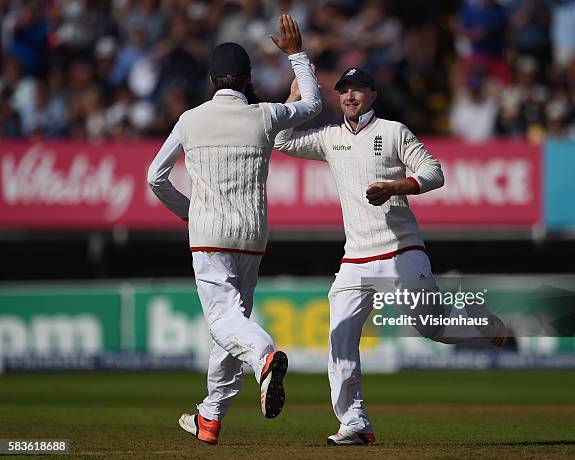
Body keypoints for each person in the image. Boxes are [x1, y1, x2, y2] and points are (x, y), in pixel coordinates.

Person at [274, 67, 509, 445]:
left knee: (434, 328)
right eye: (344, 90)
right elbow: (282, 140)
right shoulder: (331, 138)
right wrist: (294, 99)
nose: (350, 97)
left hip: (401, 249)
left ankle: (474, 318)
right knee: (340, 336)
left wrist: (397, 186)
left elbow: (435, 172)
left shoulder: (393, 131)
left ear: (373, 94)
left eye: (358, 90)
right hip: (355, 258)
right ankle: (354, 422)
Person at [147, 15, 322, 445]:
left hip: (209, 234)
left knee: (224, 322)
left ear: (211, 80)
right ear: (247, 79)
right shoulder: (263, 115)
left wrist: (189, 212)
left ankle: (264, 358)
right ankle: (210, 416)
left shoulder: (190, 120)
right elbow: (314, 106)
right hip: (252, 237)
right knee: (232, 323)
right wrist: (297, 55)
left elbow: (155, 177)